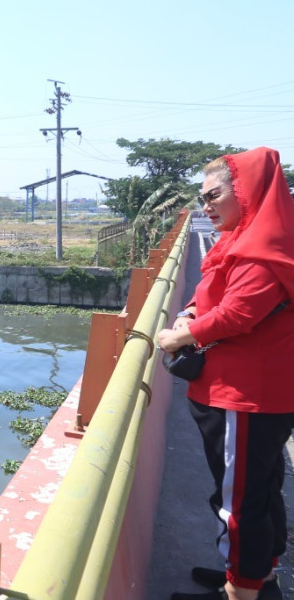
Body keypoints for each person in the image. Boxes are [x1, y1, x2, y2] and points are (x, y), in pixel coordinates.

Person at [157, 147, 294, 600]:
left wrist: (177, 336)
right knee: (258, 489)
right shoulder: (251, 238)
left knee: (239, 501)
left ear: (248, 193)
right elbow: (217, 294)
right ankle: (255, 577)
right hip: (248, 393)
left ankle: (242, 592)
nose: (206, 206)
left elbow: (237, 313)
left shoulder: (263, 249)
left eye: (214, 195)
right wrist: (194, 308)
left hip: (245, 396)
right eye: (203, 198)